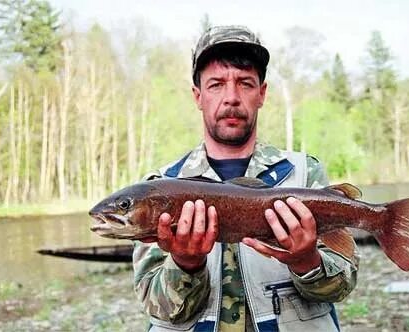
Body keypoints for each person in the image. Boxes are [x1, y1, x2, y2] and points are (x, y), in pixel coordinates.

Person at [133, 25, 359, 332]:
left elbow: (341, 287)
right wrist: (185, 263)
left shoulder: (305, 173)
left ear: (262, 93)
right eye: (216, 85)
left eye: (245, 83)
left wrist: (306, 261)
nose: (231, 98)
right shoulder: (159, 188)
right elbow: (158, 309)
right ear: (197, 96)